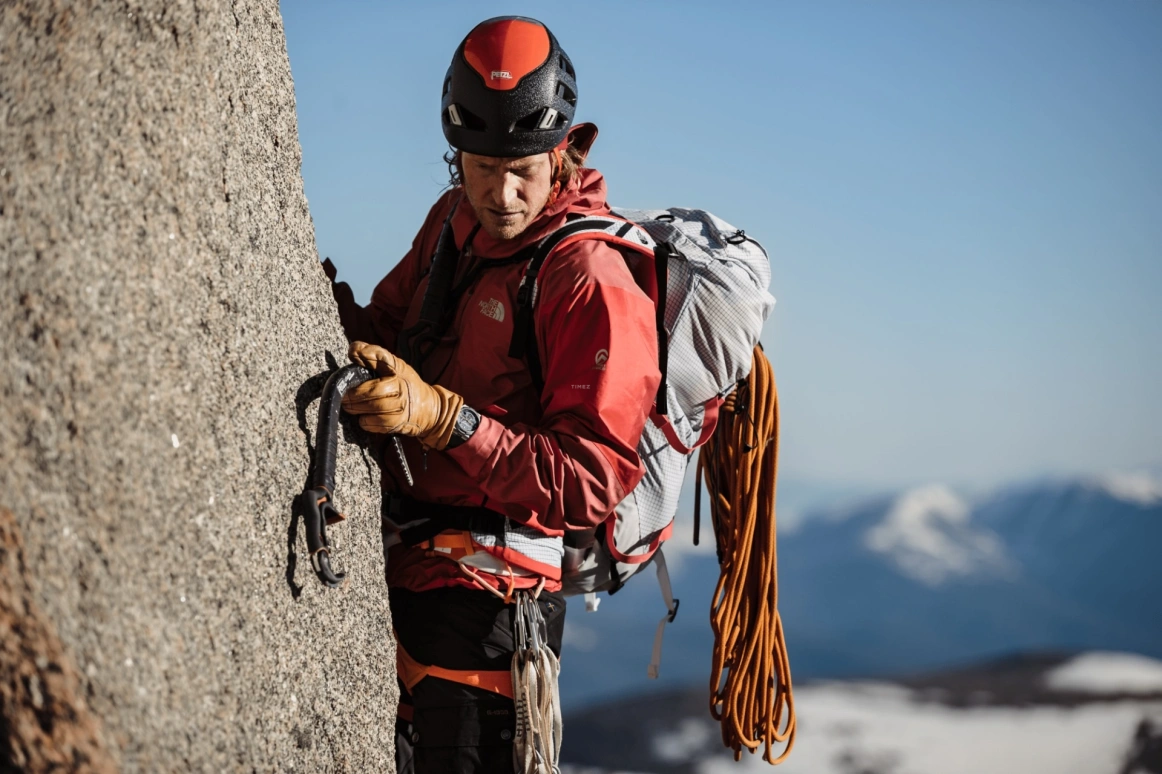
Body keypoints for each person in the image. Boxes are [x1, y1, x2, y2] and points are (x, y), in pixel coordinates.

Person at [325, 15, 661, 774]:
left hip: (495, 610)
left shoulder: (589, 278)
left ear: (563, 152)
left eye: (523, 171)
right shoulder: (451, 222)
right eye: (479, 168)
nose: (501, 194)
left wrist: (446, 420)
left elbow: (593, 477)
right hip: (403, 567)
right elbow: (384, 328)